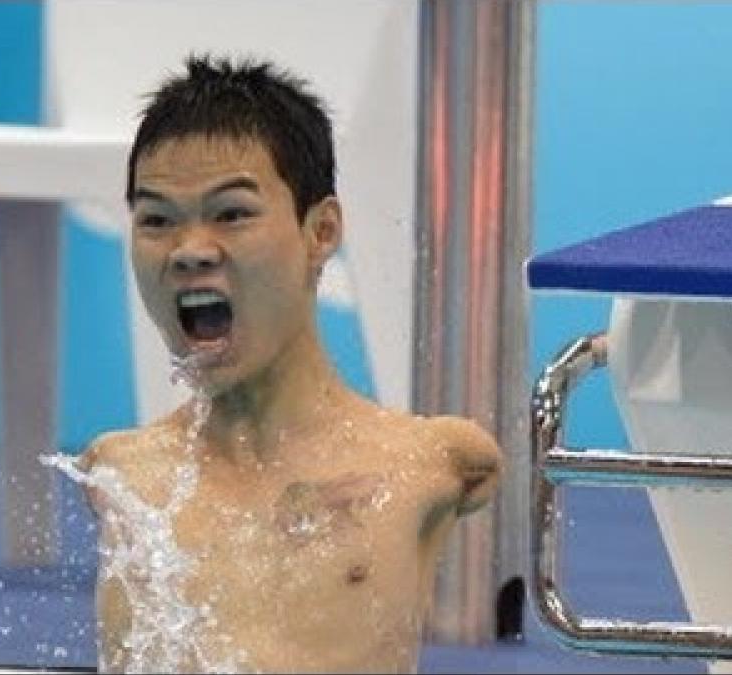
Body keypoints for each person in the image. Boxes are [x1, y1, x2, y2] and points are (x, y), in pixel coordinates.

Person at [75, 54, 503, 674]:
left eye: (232, 213)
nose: (190, 250)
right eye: (157, 220)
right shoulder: (121, 474)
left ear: (321, 231)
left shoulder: (426, 463)